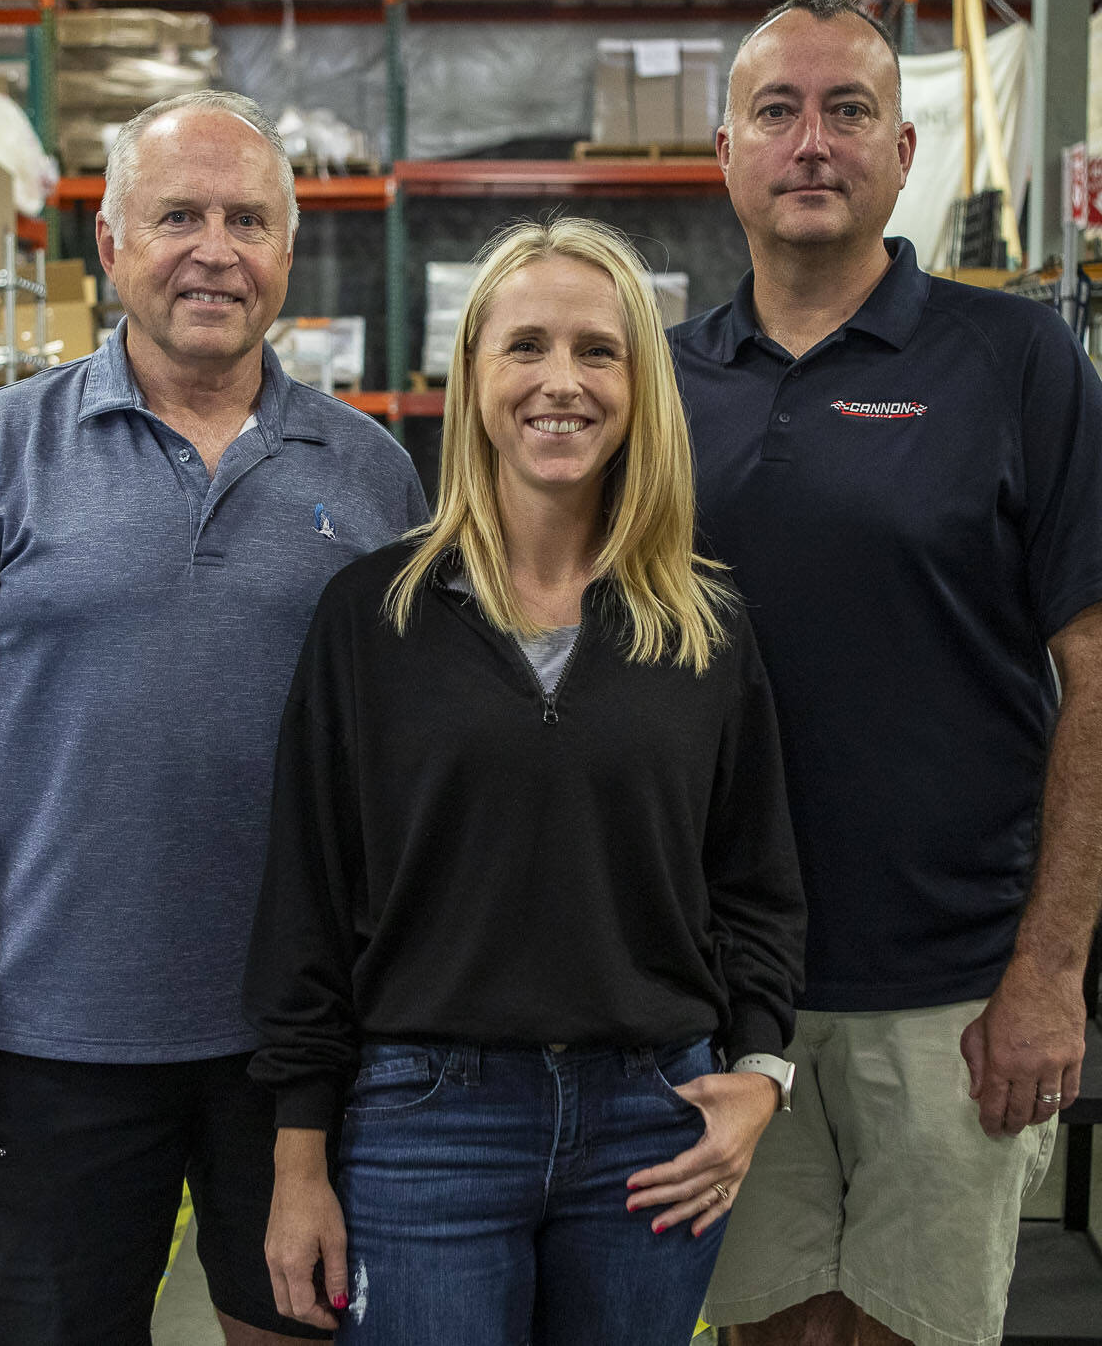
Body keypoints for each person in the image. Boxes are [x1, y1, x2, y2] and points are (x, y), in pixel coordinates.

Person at [0, 90, 427, 1346]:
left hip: (300, 1047)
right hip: (51, 1042)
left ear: (284, 250)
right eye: (177, 215)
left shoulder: (374, 473)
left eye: (247, 220)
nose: (214, 249)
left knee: (295, 1329)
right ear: (108, 243)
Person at [667, 0, 1102, 1346]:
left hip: (953, 989)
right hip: (723, 990)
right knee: (770, 1329)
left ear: (904, 153)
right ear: (727, 151)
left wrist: (1050, 975)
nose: (812, 143)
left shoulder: (1014, 362)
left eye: (848, 113)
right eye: (778, 112)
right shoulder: (660, 389)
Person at [246, 217, 807, 1345]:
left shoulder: (703, 625)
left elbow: (756, 882)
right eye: (526, 347)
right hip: (422, 1128)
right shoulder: (374, 615)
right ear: (475, 376)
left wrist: (760, 1072)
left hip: (654, 1127)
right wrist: (298, 1157)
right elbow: (307, 900)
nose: (563, 382)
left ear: (639, 384)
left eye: (598, 351)